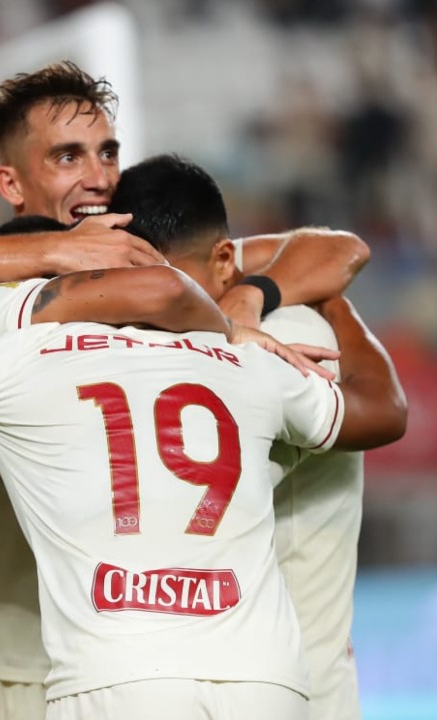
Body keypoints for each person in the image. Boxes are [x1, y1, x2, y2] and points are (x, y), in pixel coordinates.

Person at [0, 64, 371, 720]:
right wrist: (50, 255)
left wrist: (242, 302)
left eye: (107, 153)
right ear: (10, 182)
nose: (97, 177)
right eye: (67, 157)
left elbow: (333, 248)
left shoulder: (154, 268)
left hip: (90, 668)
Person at [0, 209, 405, 718]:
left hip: (113, 674)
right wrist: (324, 306)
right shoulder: (262, 353)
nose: (94, 176)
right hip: (267, 677)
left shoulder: (21, 358)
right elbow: (383, 410)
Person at [107, 154, 406, 720]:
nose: (155, 305)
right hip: (226, 682)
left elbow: (383, 411)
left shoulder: (287, 335)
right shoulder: (179, 340)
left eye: (167, 285)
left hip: (286, 685)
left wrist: (309, 302)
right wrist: (329, 298)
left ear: (223, 261)